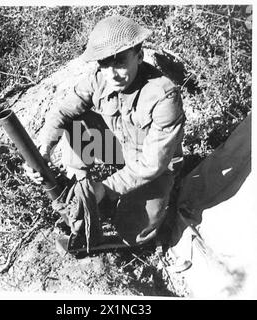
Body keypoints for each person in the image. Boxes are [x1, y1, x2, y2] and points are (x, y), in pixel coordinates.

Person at [24, 15, 185, 246]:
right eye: (104, 63)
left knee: (132, 234)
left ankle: (105, 196)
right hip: (123, 149)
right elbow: (62, 112)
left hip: (156, 167)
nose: (112, 73)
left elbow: (153, 164)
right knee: (77, 120)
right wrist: (44, 151)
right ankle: (80, 182)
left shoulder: (163, 95)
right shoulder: (98, 80)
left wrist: (106, 187)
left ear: (139, 56)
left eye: (120, 62)